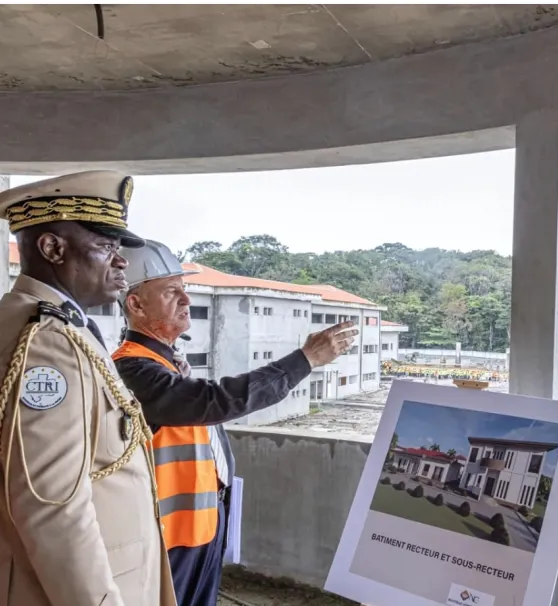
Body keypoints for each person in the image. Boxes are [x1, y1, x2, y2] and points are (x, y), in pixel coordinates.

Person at [111, 240, 357, 606]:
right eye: (171, 291)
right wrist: (304, 360)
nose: (185, 299)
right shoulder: (132, 368)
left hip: (200, 525)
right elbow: (217, 400)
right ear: (135, 304)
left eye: (185, 289)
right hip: (166, 538)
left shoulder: (167, 364)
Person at [0, 172, 176, 606]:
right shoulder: (48, 341)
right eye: (105, 247)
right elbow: (50, 505)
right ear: (52, 248)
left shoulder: (46, 322)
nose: (120, 263)